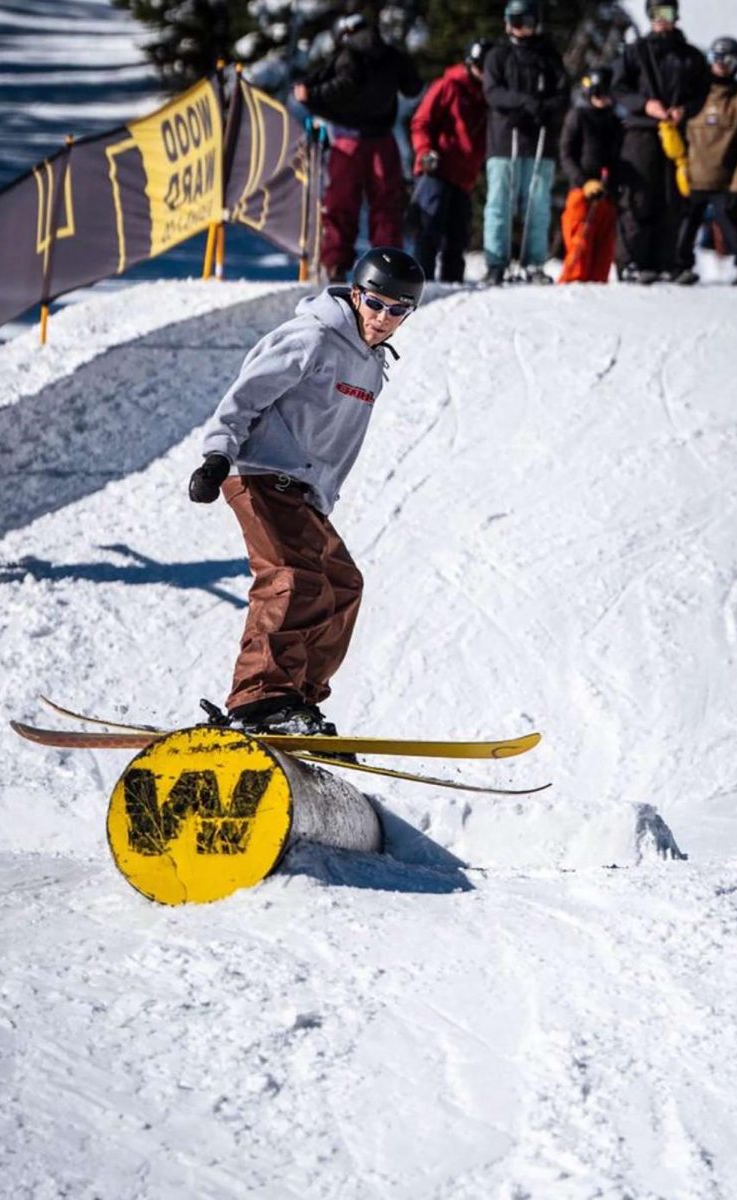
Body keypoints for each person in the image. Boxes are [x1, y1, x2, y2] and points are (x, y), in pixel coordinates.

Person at [188, 246, 425, 735]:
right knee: (292, 578)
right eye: (376, 303)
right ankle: (259, 698)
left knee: (342, 588)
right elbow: (246, 393)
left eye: (397, 311)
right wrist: (216, 455)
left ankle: (297, 697)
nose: (382, 319)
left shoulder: (372, 362)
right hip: (258, 472)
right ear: (357, 294)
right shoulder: (313, 336)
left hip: (302, 490)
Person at [293, 14, 422, 283]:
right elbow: (413, 87)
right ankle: (389, 268)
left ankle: (335, 266)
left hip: (348, 143)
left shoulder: (347, 56)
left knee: (341, 206)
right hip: (383, 143)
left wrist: (312, 98)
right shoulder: (390, 54)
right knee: (387, 205)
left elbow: (342, 86)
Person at [611, 0, 709, 284]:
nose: (661, 20)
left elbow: (701, 93)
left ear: (676, 16)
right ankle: (632, 262)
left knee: (672, 197)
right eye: (655, 14)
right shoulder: (636, 52)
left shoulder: (690, 56)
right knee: (638, 197)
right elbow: (618, 88)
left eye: (666, 13)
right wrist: (645, 104)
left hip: (676, 134)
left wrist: (685, 110)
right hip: (641, 132)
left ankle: (667, 262)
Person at [481, 0, 569, 285]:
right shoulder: (498, 55)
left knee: (537, 203)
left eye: (527, 21)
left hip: (540, 141)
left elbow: (562, 92)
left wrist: (546, 108)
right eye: (516, 21)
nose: (522, 28)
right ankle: (497, 262)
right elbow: (493, 91)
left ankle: (533, 262)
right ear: (507, 23)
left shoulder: (548, 56)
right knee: (500, 203)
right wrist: (523, 103)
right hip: (506, 139)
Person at [408, 37, 491, 283]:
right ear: (470, 63)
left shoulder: (488, 97)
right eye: (480, 67)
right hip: (438, 169)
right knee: (429, 229)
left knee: (458, 237)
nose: (484, 73)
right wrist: (424, 151)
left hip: (464, 176)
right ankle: (419, 283)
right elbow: (421, 121)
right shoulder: (449, 85)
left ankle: (450, 285)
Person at [672, 36, 737, 285]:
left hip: (724, 181)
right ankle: (680, 267)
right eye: (716, 59)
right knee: (684, 228)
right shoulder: (695, 95)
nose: (721, 65)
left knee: (735, 228)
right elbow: (678, 134)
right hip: (692, 176)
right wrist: (680, 168)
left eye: (727, 60)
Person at [557, 67, 623, 283]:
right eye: (598, 94)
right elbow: (566, 154)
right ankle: (572, 283)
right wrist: (583, 182)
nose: (603, 99)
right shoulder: (578, 116)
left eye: (607, 94)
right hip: (582, 193)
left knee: (603, 250)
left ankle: (596, 289)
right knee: (580, 244)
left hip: (608, 194)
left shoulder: (615, 121)